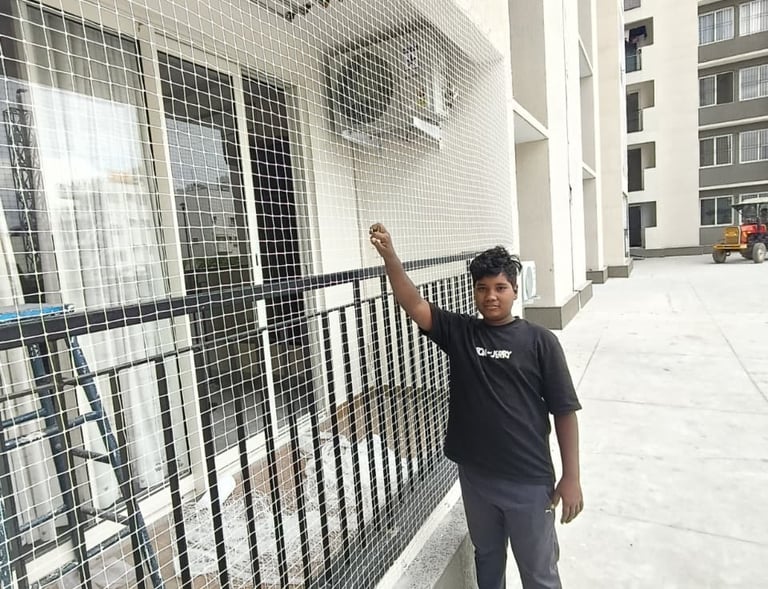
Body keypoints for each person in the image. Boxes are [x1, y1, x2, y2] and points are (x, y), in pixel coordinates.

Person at [369, 223, 583, 589]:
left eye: (500, 288)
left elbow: (564, 411)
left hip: (528, 482)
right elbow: (414, 303)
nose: (491, 296)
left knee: (539, 572)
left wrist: (572, 477)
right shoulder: (462, 332)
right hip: (477, 478)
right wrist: (390, 257)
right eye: (482, 289)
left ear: (516, 290)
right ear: (474, 293)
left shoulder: (540, 342)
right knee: (487, 560)